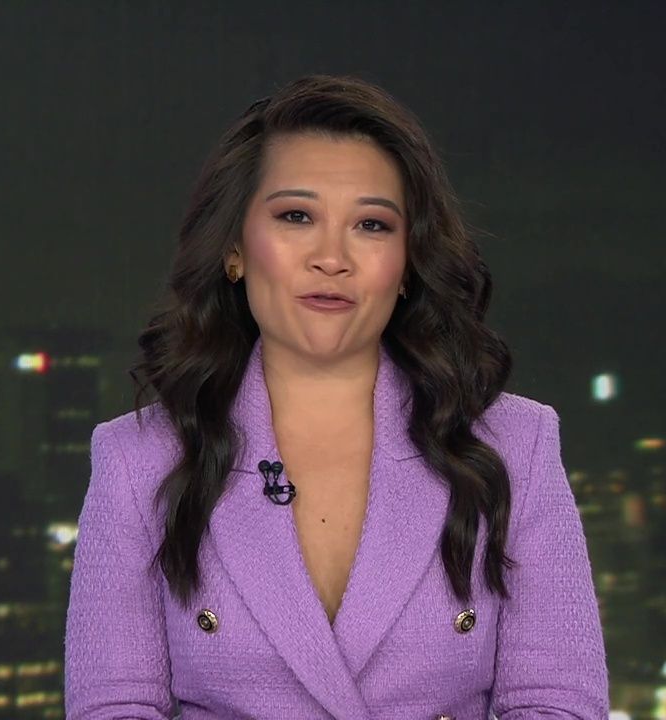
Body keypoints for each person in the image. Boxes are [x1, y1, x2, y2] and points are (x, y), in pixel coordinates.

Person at [64, 73, 608, 719]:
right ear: (234, 250)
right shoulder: (138, 460)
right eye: (296, 216)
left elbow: (557, 704)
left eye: (372, 225)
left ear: (407, 264)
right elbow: (115, 707)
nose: (332, 257)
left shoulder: (515, 446)